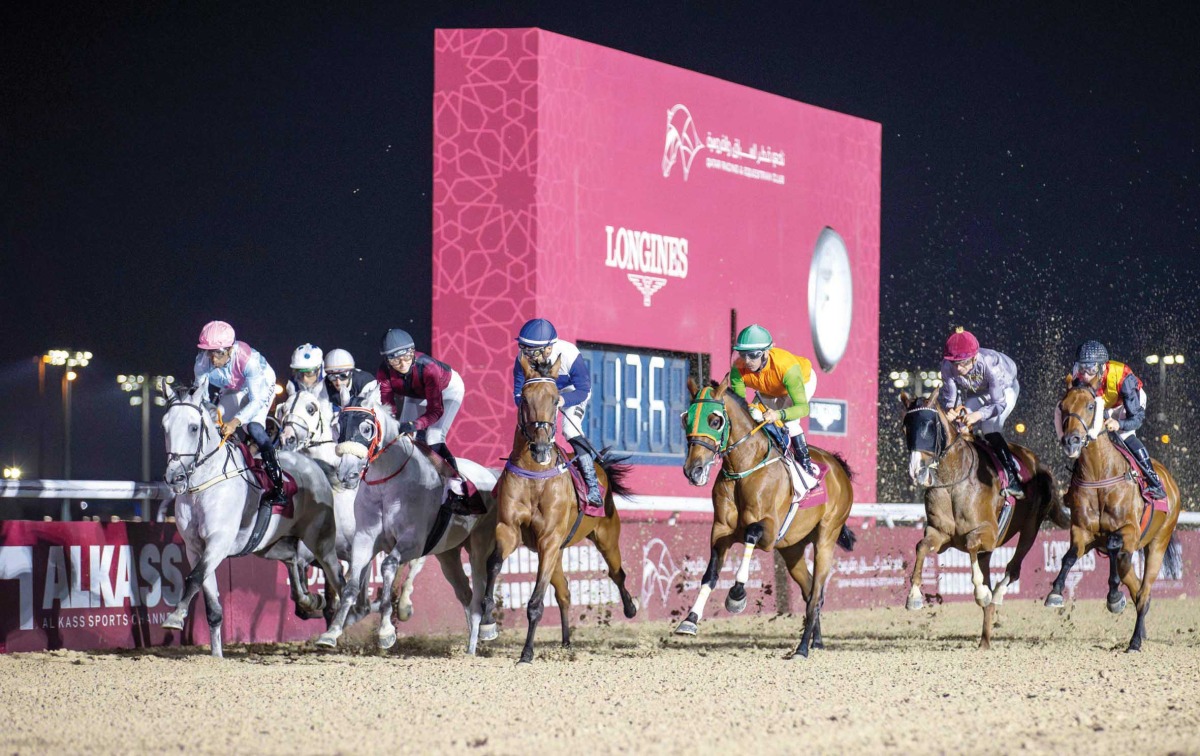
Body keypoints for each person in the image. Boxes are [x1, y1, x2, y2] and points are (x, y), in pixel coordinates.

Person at [376, 328, 480, 515]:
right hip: (415, 393)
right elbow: (387, 408)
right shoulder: (384, 373)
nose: (402, 363)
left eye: (407, 356)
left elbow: (435, 411)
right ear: (387, 361)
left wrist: (415, 424)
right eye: (394, 359)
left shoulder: (429, 369)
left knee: (433, 435)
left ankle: (455, 485)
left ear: (413, 351)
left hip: (447, 391)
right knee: (403, 438)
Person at [193, 320, 286, 506]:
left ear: (229, 349)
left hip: (260, 385)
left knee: (252, 427)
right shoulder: (202, 363)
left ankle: (278, 486)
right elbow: (201, 399)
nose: (212, 360)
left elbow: (256, 400)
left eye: (217, 354)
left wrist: (235, 421)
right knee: (214, 425)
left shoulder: (248, 360)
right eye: (208, 352)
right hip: (234, 386)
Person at [510, 318, 601, 506]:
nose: (527, 355)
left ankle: (592, 487)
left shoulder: (570, 354)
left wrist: (562, 400)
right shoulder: (522, 359)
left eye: (531, 351)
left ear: (548, 349)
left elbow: (583, 389)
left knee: (570, 430)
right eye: (524, 349)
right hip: (539, 396)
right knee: (533, 427)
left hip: (570, 393)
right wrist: (535, 407)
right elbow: (518, 394)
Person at [1069, 340, 1165, 498]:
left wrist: (1118, 423)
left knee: (1125, 435)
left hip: (1127, 405)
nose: (1085, 375)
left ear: (1102, 367)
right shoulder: (1078, 376)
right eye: (1082, 368)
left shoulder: (1123, 378)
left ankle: (1154, 482)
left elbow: (1137, 418)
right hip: (1104, 404)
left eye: (1091, 369)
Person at [937, 326, 1023, 498]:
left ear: (975, 357)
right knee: (961, 425)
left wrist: (978, 415)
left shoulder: (991, 365)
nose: (959, 369)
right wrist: (950, 411)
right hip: (978, 392)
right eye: (955, 363)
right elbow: (951, 398)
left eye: (963, 363)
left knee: (989, 427)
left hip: (1004, 390)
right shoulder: (947, 367)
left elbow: (998, 404)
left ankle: (1013, 478)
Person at [728, 324, 820, 483]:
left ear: (765, 353)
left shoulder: (787, 367)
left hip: (801, 381)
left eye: (753, 355)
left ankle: (806, 469)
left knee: (789, 423)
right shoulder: (738, 368)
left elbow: (803, 408)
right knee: (754, 415)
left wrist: (778, 414)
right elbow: (740, 407)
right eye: (743, 355)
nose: (747, 361)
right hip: (770, 387)